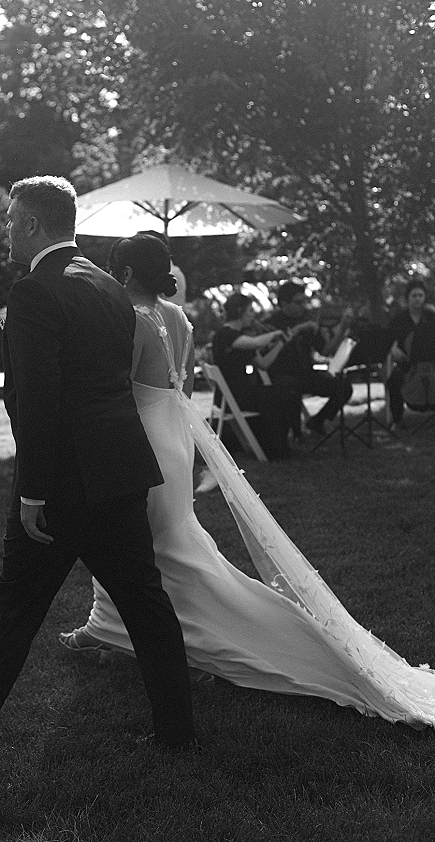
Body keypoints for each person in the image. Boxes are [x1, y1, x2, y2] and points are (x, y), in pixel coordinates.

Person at [59, 235, 435, 729]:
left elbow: (116, 393)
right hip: (176, 439)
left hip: (141, 442)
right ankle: (103, 627)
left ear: (126, 275)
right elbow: (185, 390)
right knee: (152, 543)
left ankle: (199, 644)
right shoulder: (179, 319)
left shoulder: (127, 319)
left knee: (149, 547)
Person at [0, 177, 197, 752]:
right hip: (119, 472)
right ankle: (177, 731)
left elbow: (35, 398)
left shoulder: (35, 291)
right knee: (146, 602)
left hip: (63, 483)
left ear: (34, 224)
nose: (7, 229)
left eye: (12, 219)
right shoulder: (109, 286)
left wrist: (34, 490)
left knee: (17, 604)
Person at [211, 292, 303, 458]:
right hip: (234, 394)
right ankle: (276, 448)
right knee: (280, 394)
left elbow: (263, 364)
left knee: (287, 389)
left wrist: (280, 344)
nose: (253, 315)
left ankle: (278, 445)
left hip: (242, 392)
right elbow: (256, 342)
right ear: (240, 311)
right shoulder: (226, 335)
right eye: (250, 311)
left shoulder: (241, 338)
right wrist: (275, 334)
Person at [263, 281, 354, 434]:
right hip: (281, 376)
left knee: (343, 387)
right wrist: (298, 329)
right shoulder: (271, 324)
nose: (303, 306)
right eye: (298, 302)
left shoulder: (307, 321)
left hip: (305, 374)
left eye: (305, 301)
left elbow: (325, 350)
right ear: (284, 303)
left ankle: (317, 422)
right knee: (290, 389)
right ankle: (295, 433)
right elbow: (268, 350)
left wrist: (342, 329)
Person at [385, 279, 435, 425]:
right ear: (407, 298)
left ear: (425, 297)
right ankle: (397, 420)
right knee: (393, 381)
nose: (417, 299)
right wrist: (393, 349)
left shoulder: (432, 317)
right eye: (414, 295)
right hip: (408, 364)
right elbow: (388, 341)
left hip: (432, 363)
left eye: (420, 295)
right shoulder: (398, 320)